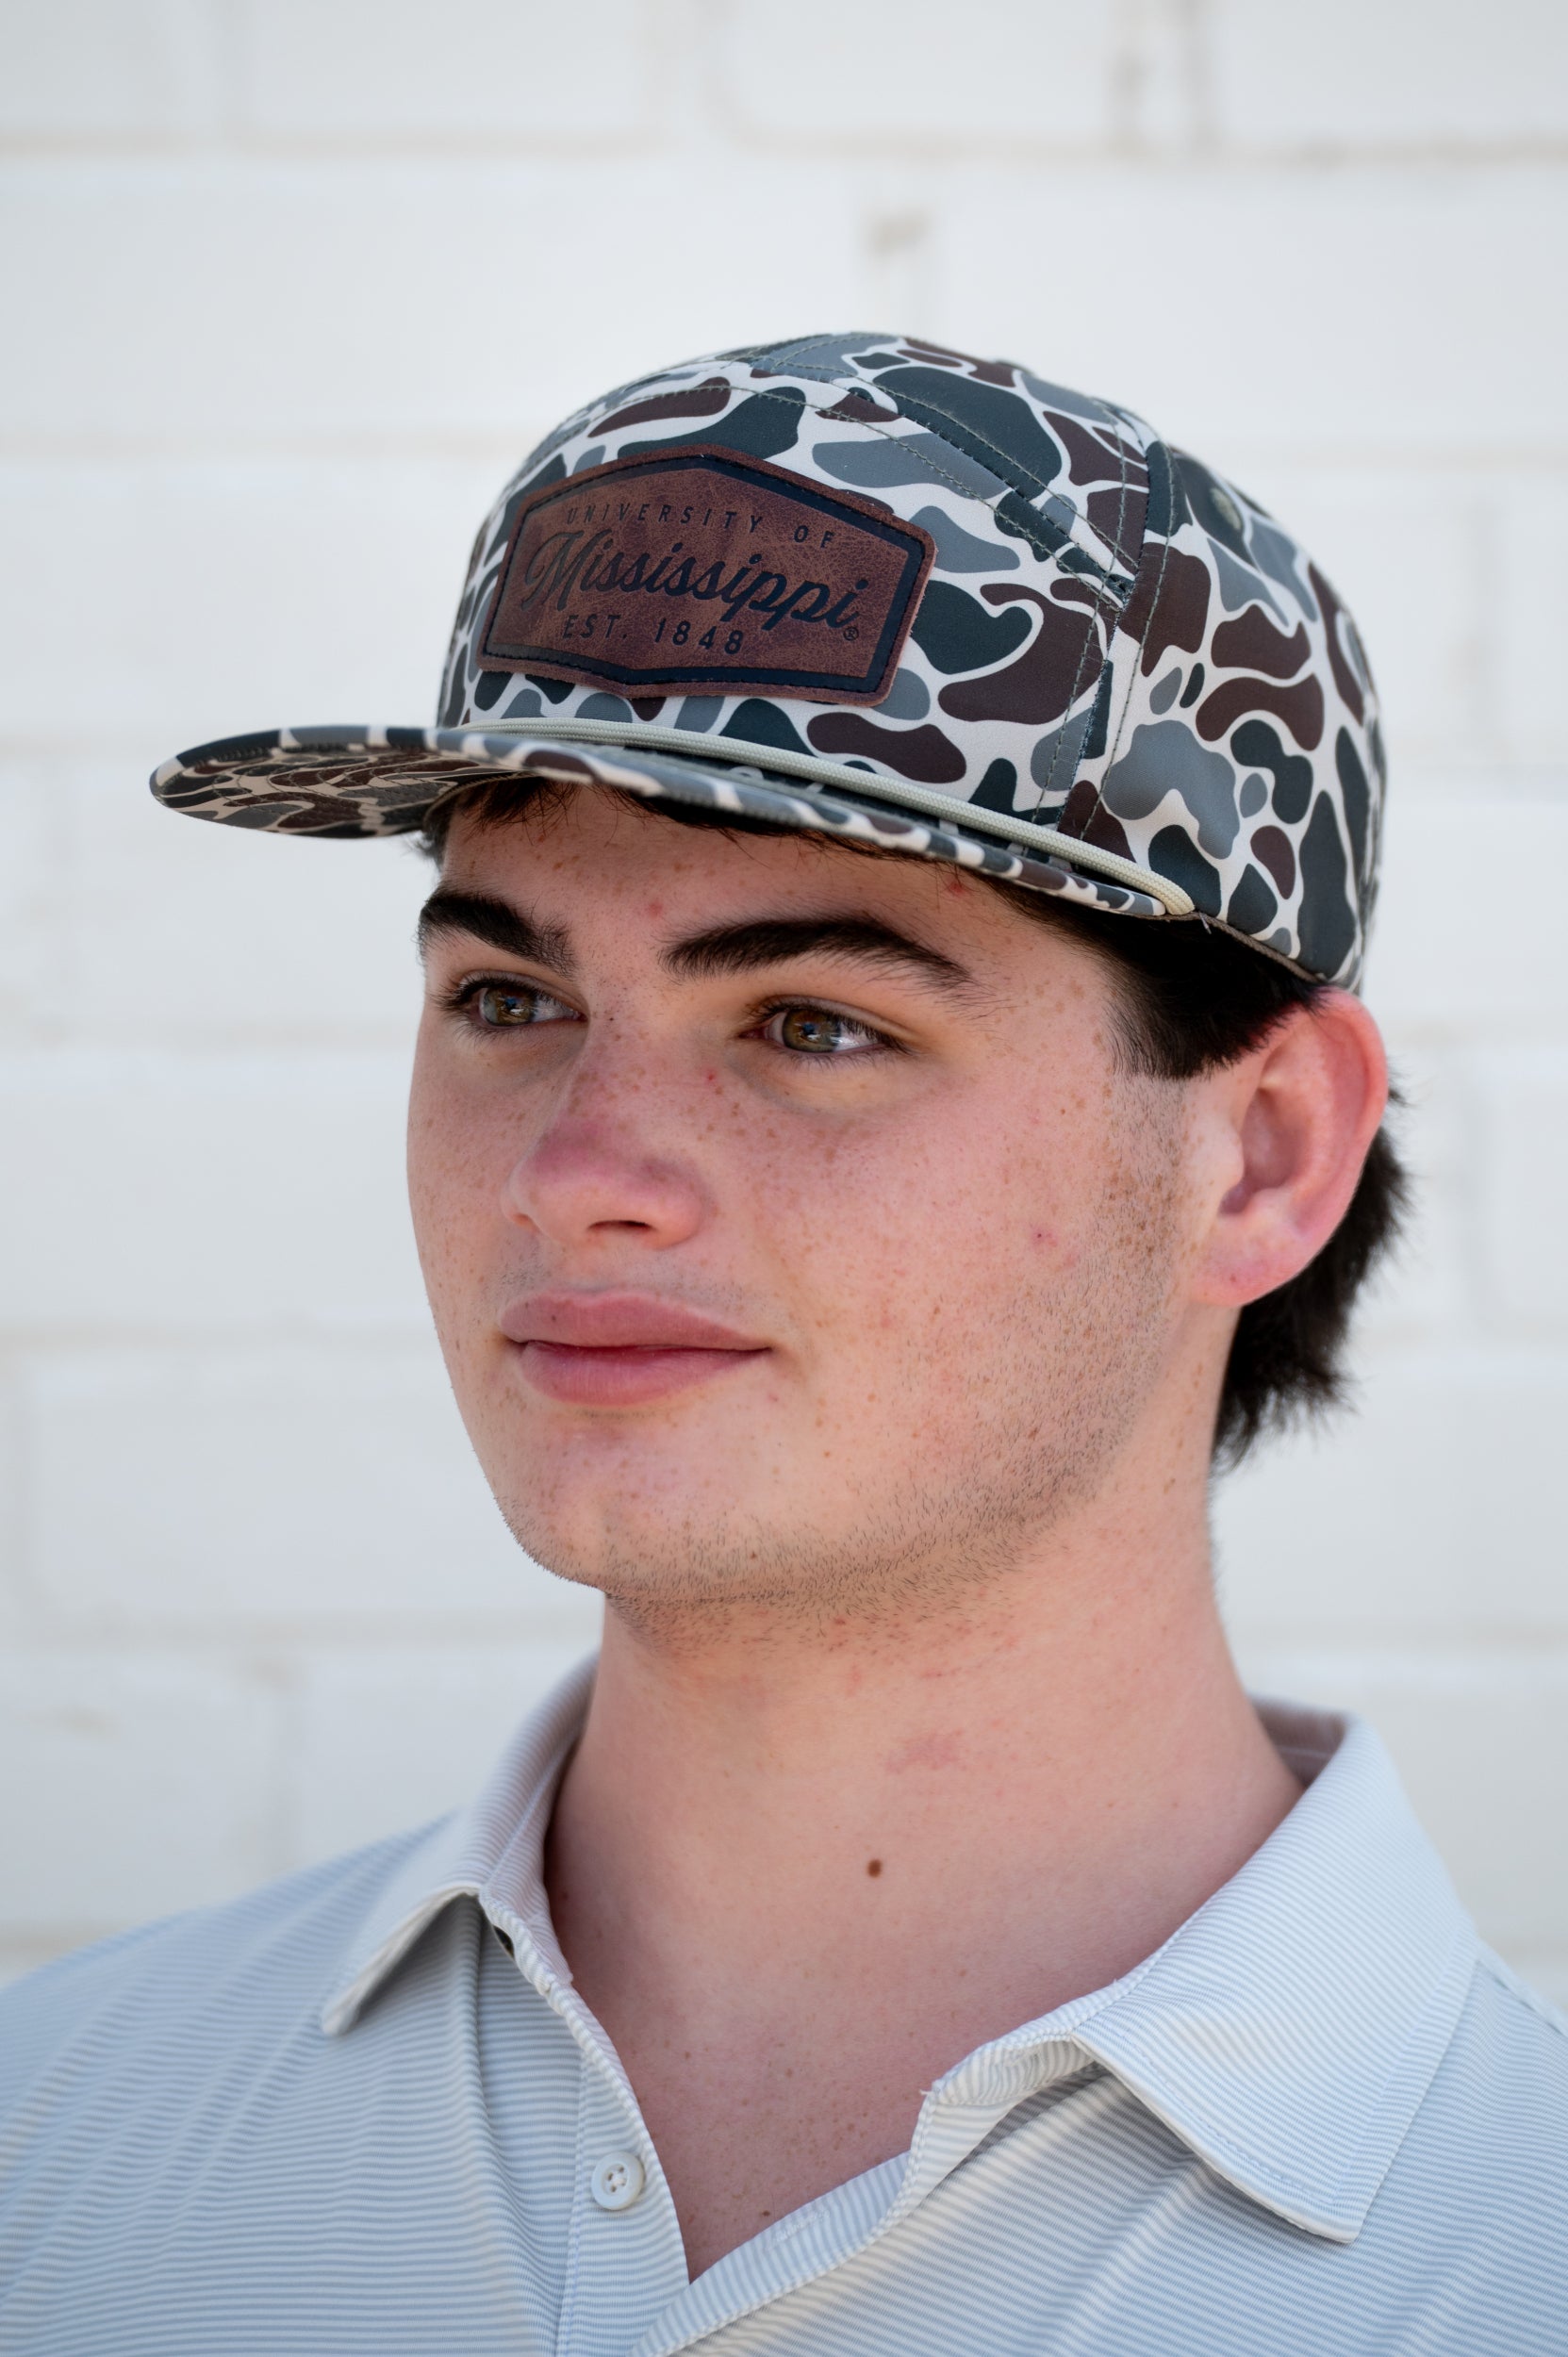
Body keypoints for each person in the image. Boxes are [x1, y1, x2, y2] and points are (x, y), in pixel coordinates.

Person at [3, 332, 1564, 2354]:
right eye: (505, 997)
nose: (574, 1173)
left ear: (1256, 1153)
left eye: (815, 1022)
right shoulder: (63, 2141)